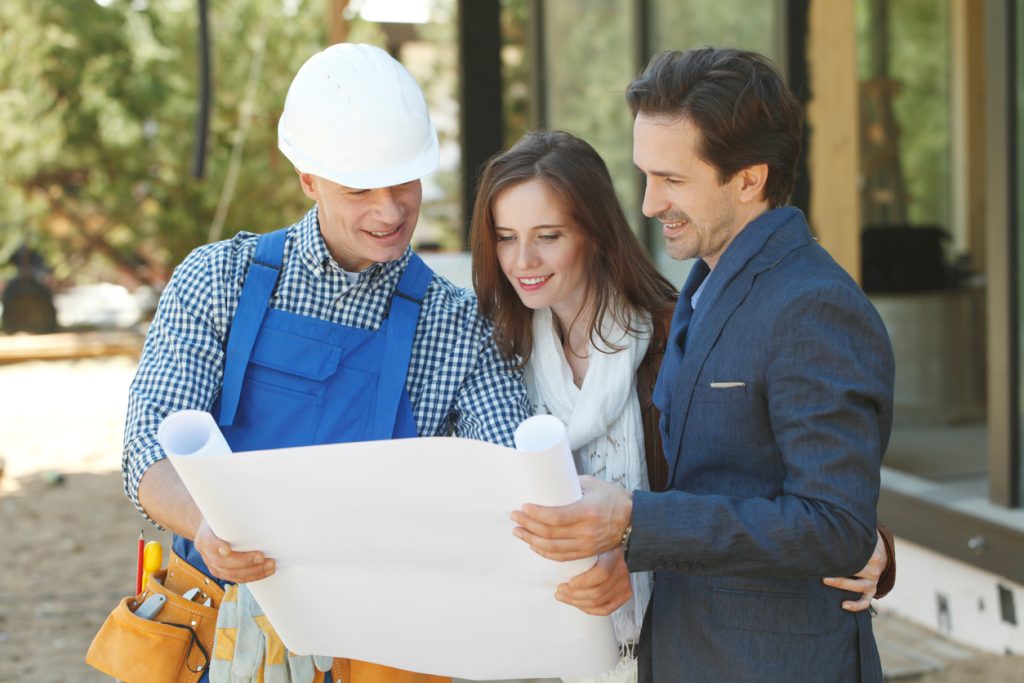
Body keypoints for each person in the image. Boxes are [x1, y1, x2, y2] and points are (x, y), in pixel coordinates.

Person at [122, 43, 530, 683]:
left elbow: (511, 474)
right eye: (360, 189)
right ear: (309, 179)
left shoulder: (455, 322)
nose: (391, 211)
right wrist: (205, 524)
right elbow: (148, 444)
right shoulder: (218, 281)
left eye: (404, 183)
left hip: (381, 647)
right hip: (215, 636)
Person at [509, 49, 895, 682]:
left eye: (672, 179)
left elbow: (834, 526)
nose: (648, 202)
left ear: (749, 179)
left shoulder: (815, 306)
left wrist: (635, 519)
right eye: (645, 175)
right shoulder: (698, 288)